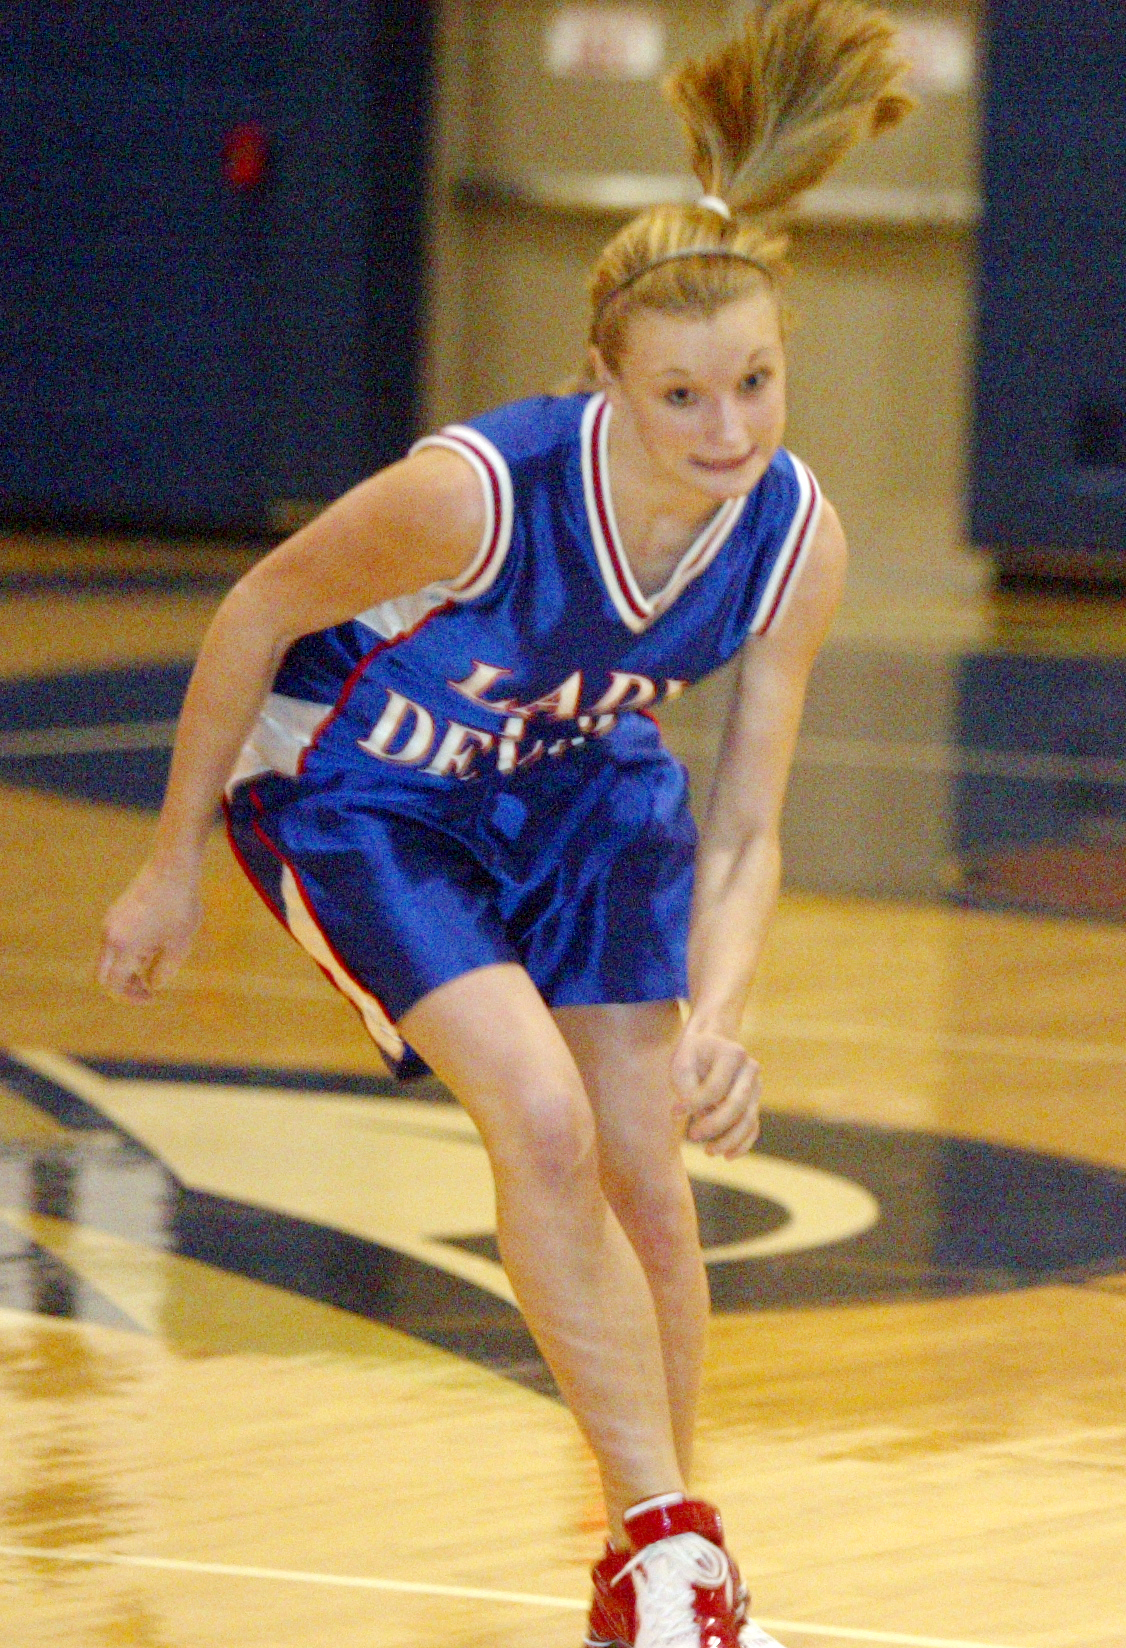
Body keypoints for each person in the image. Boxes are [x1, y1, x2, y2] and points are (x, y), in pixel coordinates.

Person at [94, 5, 912, 1644]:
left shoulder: (793, 536)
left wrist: (727, 1018)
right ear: (604, 381)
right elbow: (256, 610)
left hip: (581, 795)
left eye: (755, 383)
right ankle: (676, 1542)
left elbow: (750, 823)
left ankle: (666, 1560)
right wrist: (170, 858)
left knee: (647, 1177)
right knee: (537, 1123)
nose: (729, 429)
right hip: (364, 789)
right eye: (683, 395)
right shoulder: (478, 491)